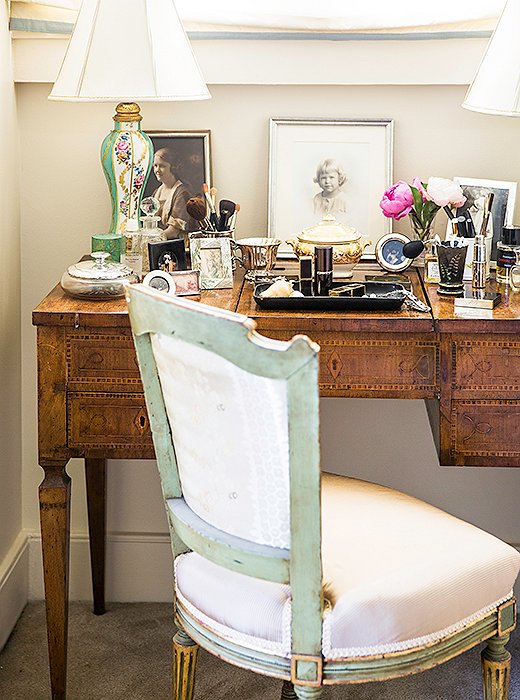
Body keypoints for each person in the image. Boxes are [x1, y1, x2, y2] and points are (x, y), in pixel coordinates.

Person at [152, 147, 195, 240]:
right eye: (155, 165)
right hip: (159, 243)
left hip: (175, 245)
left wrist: (151, 240)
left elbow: (173, 231)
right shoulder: (157, 192)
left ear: (173, 167)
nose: (157, 170)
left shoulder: (182, 193)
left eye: (162, 166)